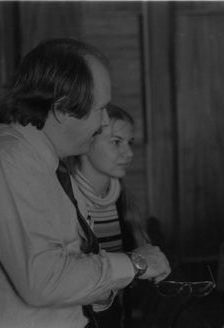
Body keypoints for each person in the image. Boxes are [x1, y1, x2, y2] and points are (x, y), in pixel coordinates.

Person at [0, 38, 170, 328]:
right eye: (99, 109)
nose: (102, 123)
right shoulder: (6, 163)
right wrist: (136, 264)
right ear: (62, 109)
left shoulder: (42, 161)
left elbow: (65, 267)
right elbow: (44, 280)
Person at [67, 104, 151, 327]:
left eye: (129, 142)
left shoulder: (122, 198)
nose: (129, 153)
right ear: (87, 141)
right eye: (116, 142)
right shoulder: (65, 199)